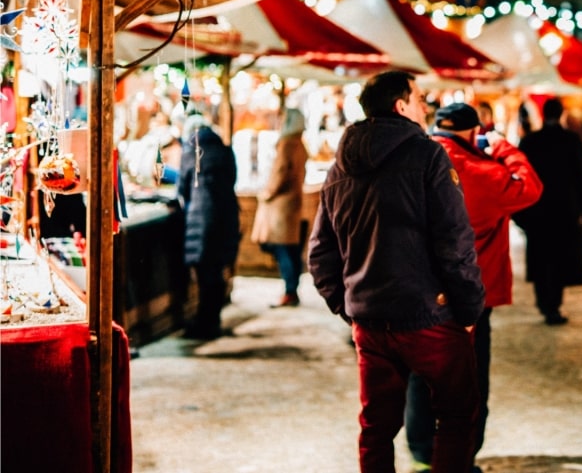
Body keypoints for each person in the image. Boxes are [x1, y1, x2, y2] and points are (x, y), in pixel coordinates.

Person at [306, 70, 485, 472]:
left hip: (370, 321)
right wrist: (469, 309)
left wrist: (350, 303)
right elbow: (454, 240)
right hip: (429, 318)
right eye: (420, 99)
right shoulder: (428, 155)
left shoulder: (341, 166)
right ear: (401, 105)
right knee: (457, 415)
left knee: (376, 427)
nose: (426, 107)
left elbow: (319, 254)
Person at [405, 102, 543, 472]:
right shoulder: (480, 172)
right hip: (471, 295)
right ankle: (460, 459)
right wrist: (502, 147)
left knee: (422, 372)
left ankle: (421, 452)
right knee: (469, 381)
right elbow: (529, 188)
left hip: (419, 291)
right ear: (472, 133)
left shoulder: (413, 163)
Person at [514, 97, 582, 325]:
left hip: (537, 210)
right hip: (565, 210)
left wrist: (519, 212)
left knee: (541, 259)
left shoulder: (531, 141)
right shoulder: (571, 140)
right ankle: (554, 306)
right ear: (561, 114)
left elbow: (520, 176)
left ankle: (543, 302)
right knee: (560, 260)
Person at [177, 114, 240, 340]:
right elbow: (233, 179)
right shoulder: (224, 149)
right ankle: (213, 320)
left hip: (202, 217)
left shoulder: (191, 151)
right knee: (216, 270)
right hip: (227, 214)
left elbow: (183, 187)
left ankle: (205, 324)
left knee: (205, 273)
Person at [251, 108, 309, 308]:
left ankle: (290, 290)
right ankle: (292, 289)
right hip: (293, 203)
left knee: (282, 248)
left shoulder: (287, 144)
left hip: (281, 207)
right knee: (291, 249)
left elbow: (280, 172)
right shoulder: (300, 144)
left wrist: (267, 193)